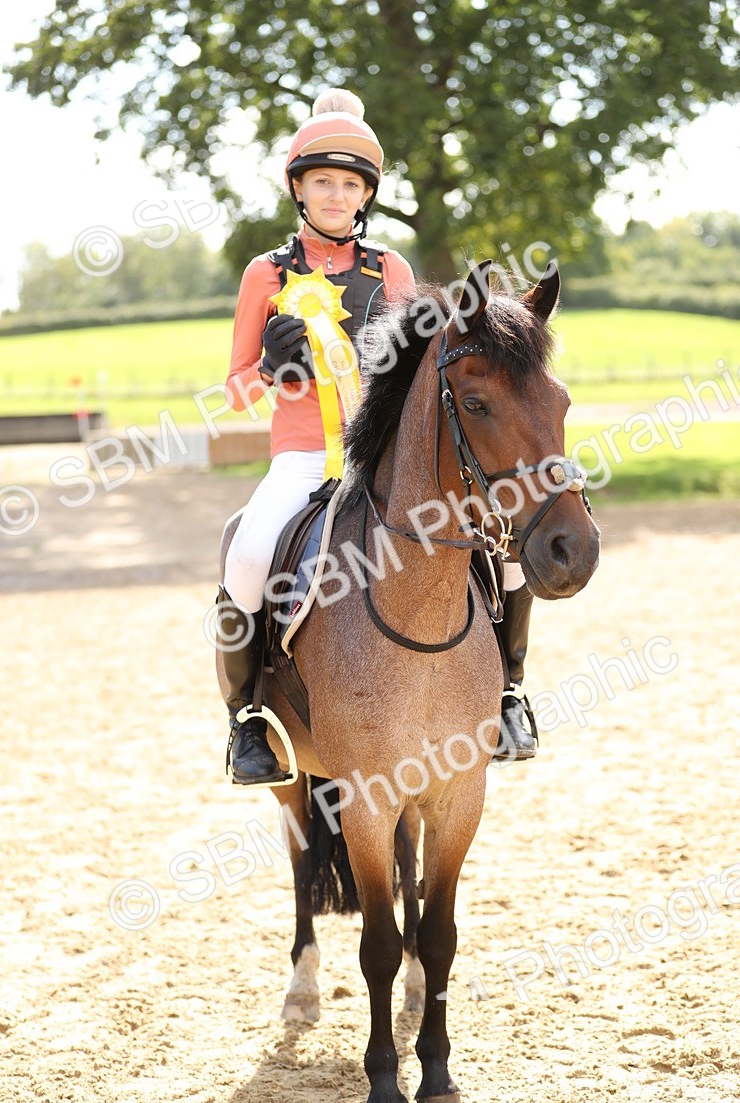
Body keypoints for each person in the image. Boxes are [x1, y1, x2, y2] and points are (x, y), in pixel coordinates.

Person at [217, 88, 538, 784]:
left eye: (350, 185)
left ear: (366, 195)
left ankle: (508, 692)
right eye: (323, 181)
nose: (337, 195)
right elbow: (235, 388)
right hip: (302, 455)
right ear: (299, 189)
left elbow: (414, 374)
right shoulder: (265, 274)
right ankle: (247, 722)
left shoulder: (388, 269)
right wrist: (271, 369)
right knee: (245, 558)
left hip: (385, 453)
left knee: (504, 550)